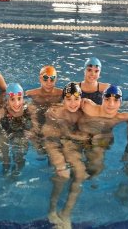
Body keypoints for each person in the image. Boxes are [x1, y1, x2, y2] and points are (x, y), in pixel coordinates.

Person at [41, 82, 89, 229]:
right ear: (63, 100)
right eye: (68, 99)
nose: (73, 103)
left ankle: (66, 213)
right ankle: (52, 209)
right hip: (53, 143)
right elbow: (47, 134)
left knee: (80, 174)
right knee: (64, 175)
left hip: (69, 143)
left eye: (76, 99)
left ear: (81, 99)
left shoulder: (83, 113)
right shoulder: (54, 112)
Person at [0, 83, 39, 175]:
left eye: (19, 98)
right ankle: (6, 167)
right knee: (1, 144)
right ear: (7, 100)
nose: (17, 103)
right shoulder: (1, 113)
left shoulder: (29, 109)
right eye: (12, 99)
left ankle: (17, 171)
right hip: (5, 130)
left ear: (23, 98)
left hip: (21, 132)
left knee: (20, 155)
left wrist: (32, 133)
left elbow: (36, 125)